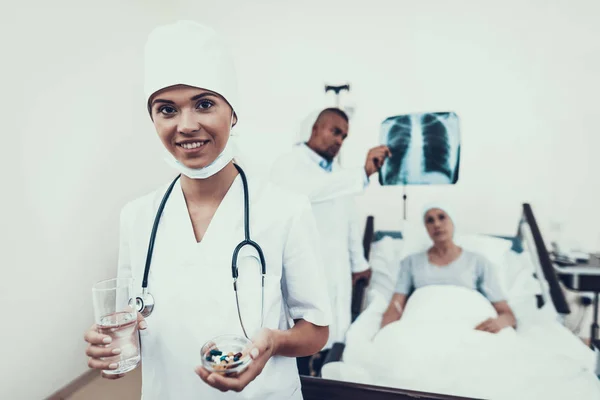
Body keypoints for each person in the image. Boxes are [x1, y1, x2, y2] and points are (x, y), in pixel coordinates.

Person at [83, 21, 332, 399]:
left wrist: (274, 342)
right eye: (166, 109)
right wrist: (111, 351)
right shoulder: (136, 217)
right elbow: (129, 330)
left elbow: (316, 332)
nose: (186, 126)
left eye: (204, 104)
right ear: (153, 120)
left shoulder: (285, 210)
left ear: (232, 113)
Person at [270, 108, 391, 376]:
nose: (339, 140)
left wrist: (358, 264)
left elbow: (349, 222)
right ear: (315, 129)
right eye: (335, 131)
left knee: (329, 341)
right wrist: (361, 172)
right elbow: (309, 190)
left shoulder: (337, 175)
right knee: (298, 347)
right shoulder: (289, 164)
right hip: (300, 272)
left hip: (334, 271)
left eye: (344, 136)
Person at [380, 204, 517, 333]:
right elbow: (396, 306)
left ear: (453, 221)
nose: (437, 224)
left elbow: (507, 314)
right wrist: (384, 334)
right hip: (423, 328)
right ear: (426, 227)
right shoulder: (411, 262)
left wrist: (498, 323)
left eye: (442, 217)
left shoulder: (478, 261)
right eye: (430, 220)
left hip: (470, 329)